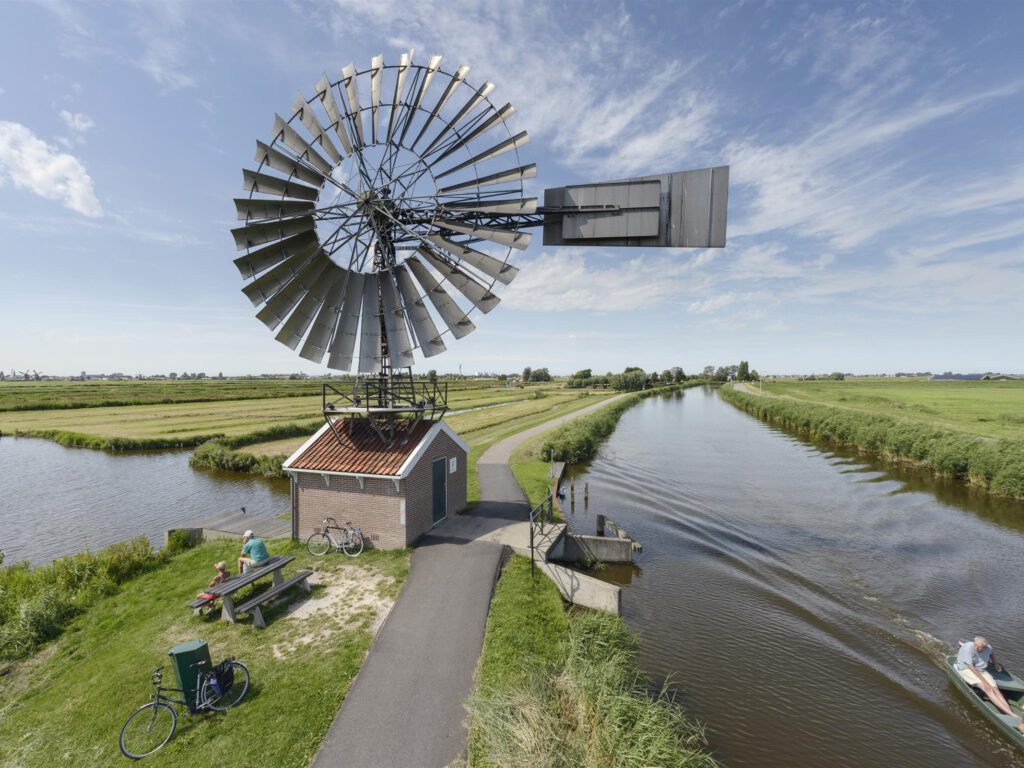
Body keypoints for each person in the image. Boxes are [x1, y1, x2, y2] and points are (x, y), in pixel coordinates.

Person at [956, 636, 1024, 734]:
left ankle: (1010, 713)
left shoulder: (988, 647)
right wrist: (984, 681)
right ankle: (1012, 715)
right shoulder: (968, 648)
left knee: (996, 690)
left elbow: (992, 654)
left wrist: (995, 664)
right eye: (978, 647)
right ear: (974, 644)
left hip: (981, 670)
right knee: (987, 689)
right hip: (967, 669)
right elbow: (971, 667)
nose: (979, 649)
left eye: (982, 648)